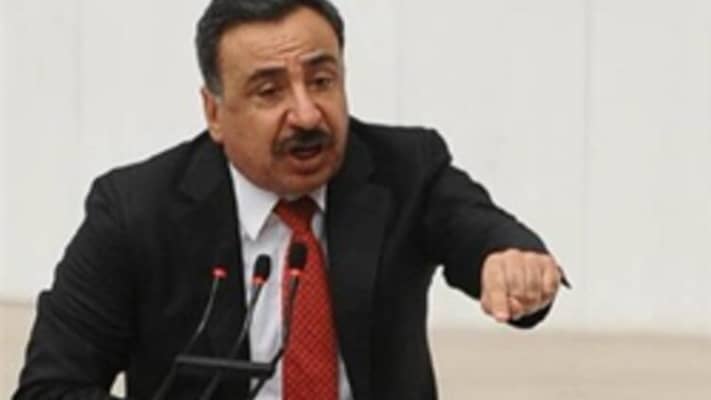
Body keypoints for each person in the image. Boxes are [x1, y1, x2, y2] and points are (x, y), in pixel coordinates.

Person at [14, 0, 567, 399]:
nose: (305, 114)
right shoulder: (136, 211)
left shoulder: (404, 168)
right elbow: (50, 387)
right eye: (269, 91)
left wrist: (510, 261)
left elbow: (476, 228)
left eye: (322, 81)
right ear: (214, 113)